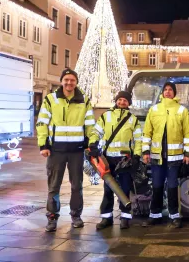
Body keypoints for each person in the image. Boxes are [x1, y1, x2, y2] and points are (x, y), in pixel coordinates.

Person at [36, 68, 95, 232]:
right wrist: (44, 145)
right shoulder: (50, 99)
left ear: (76, 82)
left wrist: (91, 143)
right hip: (56, 151)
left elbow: (90, 124)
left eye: (72, 80)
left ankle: (76, 215)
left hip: (76, 151)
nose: (69, 83)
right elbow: (42, 123)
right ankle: (52, 218)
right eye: (66, 80)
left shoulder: (84, 100)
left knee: (77, 186)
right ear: (62, 81)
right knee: (54, 186)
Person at [88, 91, 142, 230]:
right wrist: (93, 144)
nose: (122, 102)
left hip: (125, 159)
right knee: (108, 189)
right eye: (120, 100)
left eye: (125, 100)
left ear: (129, 103)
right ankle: (106, 218)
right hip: (108, 159)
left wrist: (136, 155)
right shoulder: (106, 116)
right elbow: (96, 132)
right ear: (116, 101)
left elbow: (138, 140)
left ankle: (125, 217)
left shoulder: (133, 119)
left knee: (124, 189)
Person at [142, 82, 189, 228]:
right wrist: (145, 151)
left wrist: (188, 153)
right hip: (157, 157)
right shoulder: (154, 109)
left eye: (170, 90)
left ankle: (174, 216)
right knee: (157, 186)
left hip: (175, 158)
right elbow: (147, 133)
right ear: (162, 92)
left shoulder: (181, 110)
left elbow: (188, 133)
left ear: (174, 93)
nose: (168, 92)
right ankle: (155, 215)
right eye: (165, 89)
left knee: (172, 187)